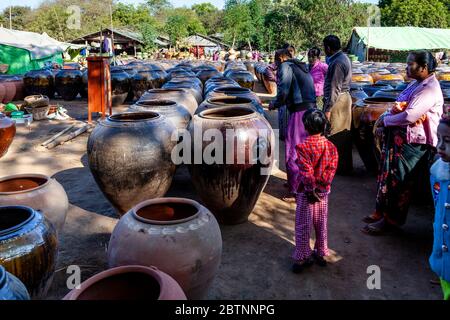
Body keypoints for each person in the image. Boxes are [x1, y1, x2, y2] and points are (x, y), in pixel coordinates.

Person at [362, 50, 444, 235]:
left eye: (410, 64)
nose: (407, 68)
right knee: (389, 177)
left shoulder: (430, 88)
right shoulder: (417, 84)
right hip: (401, 141)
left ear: (424, 68)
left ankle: (391, 221)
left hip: (414, 144)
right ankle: (381, 212)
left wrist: (386, 121)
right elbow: (397, 104)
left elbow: (410, 115)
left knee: (401, 182)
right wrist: (385, 117)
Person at [292, 109, 338, 273]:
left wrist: (311, 190)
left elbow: (306, 172)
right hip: (323, 194)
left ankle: (301, 257)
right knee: (321, 223)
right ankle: (321, 252)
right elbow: (330, 170)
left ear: (306, 126)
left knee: (303, 224)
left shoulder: (302, 147)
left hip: (306, 193)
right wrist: (321, 187)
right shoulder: (331, 147)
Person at [269, 48, 317, 202]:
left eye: (276, 60)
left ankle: (296, 190)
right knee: (305, 149)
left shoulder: (286, 67)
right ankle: (299, 183)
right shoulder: (300, 65)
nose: (275, 64)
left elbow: (283, 92)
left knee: (294, 151)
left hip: (299, 112)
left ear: (280, 58)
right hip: (310, 110)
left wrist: (274, 104)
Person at [322, 35, 353, 175]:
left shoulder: (337, 63)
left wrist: (328, 109)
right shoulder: (343, 58)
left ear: (328, 48)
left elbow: (335, 88)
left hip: (338, 101)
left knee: (334, 133)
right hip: (343, 99)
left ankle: (337, 168)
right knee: (342, 134)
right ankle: (343, 167)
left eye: (324, 48)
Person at [429, 116, 450, 300]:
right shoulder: (438, 171)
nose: (440, 146)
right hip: (443, 259)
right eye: (439, 139)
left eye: (448, 141)